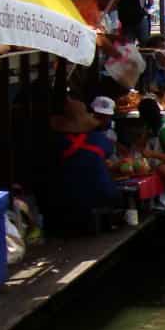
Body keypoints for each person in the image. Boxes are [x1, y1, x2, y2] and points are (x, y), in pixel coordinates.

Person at [47, 96, 121, 233]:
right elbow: (108, 157)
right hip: (104, 195)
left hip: (68, 198)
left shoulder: (56, 143)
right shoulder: (100, 139)